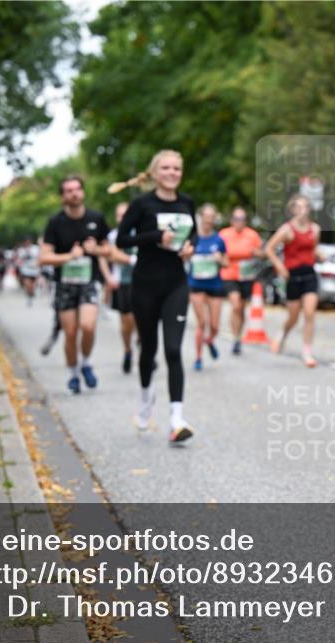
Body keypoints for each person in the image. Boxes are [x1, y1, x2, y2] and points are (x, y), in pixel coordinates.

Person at [115, 150, 197, 443]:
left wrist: (190, 248)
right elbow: (123, 240)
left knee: (173, 350)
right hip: (145, 285)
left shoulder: (187, 202)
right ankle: (145, 401)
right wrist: (153, 237)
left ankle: (176, 419)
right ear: (154, 172)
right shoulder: (142, 204)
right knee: (148, 349)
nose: (172, 172)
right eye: (166, 168)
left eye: (177, 168)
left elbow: (194, 236)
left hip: (176, 283)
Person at [39, 175, 110, 394]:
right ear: (62, 196)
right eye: (69, 190)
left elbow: (109, 250)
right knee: (70, 333)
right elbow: (44, 257)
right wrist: (69, 256)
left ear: (83, 192)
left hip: (89, 281)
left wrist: (95, 250)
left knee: (88, 326)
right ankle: (73, 373)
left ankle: (86, 362)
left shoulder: (96, 218)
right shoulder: (55, 222)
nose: (74, 193)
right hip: (65, 284)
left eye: (77, 189)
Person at [265, 193, 325, 368]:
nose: (302, 211)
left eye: (305, 207)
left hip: (309, 275)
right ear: (292, 210)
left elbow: (313, 250)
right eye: (298, 207)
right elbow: (269, 248)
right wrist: (280, 266)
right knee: (293, 317)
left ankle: (307, 352)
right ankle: (281, 335)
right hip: (292, 276)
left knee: (309, 313)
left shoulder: (315, 229)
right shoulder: (287, 229)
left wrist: (319, 255)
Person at [219, 206, 264, 355]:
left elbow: (262, 253)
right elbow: (217, 252)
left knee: (242, 308)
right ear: (232, 220)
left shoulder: (252, 235)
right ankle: (235, 337)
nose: (239, 222)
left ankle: (238, 336)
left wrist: (256, 253)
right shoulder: (224, 234)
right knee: (236, 304)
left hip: (246, 276)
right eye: (237, 219)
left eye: (242, 219)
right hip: (229, 274)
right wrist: (222, 259)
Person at [188, 204, 228, 370]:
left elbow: (227, 263)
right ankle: (198, 357)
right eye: (206, 216)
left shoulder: (219, 240)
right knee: (201, 323)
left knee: (214, 326)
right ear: (201, 217)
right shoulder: (193, 239)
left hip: (215, 285)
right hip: (196, 285)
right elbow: (182, 258)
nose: (209, 220)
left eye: (212, 217)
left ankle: (210, 340)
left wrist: (220, 259)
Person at [102, 202, 138, 374]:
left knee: (144, 319)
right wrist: (108, 277)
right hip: (123, 281)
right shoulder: (114, 235)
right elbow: (107, 255)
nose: (123, 218)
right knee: (127, 321)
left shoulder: (142, 231)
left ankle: (147, 352)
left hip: (143, 281)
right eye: (120, 215)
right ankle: (127, 350)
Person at [16, 237, 40, 306]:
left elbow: (38, 257)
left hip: (34, 270)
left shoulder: (35, 248)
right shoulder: (21, 249)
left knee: (32, 286)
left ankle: (31, 295)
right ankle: (29, 297)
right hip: (25, 270)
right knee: (27, 284)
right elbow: (19, 258)